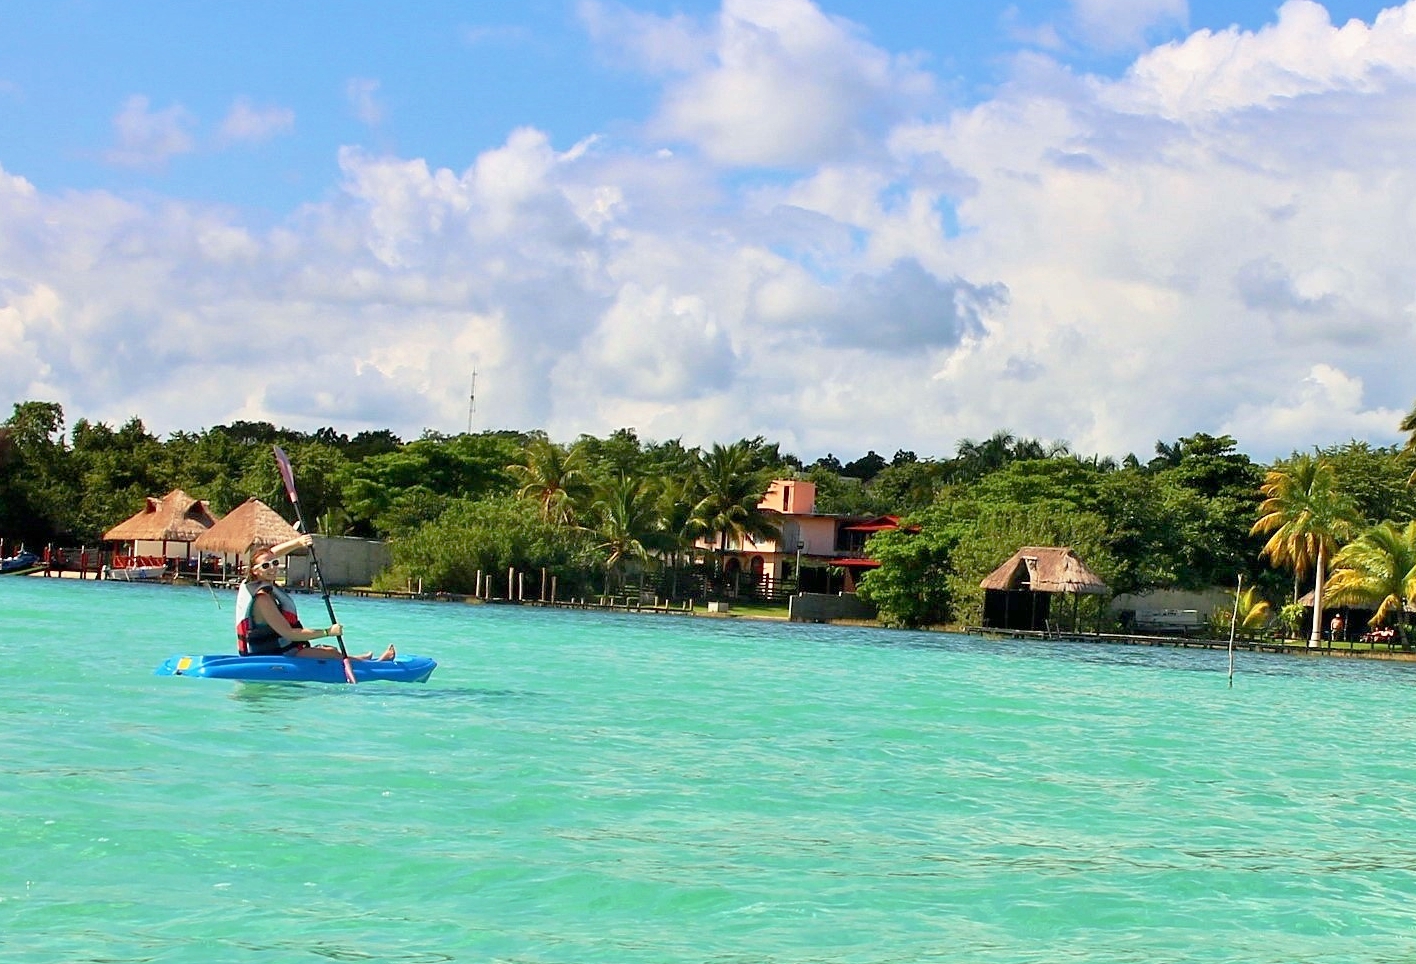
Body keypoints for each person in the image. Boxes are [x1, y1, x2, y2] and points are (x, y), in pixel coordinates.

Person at [235, 535, 395, 661]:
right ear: (255, 571)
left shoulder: (253, 584)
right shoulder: (263, 599)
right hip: (272, 654)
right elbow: (289, 633)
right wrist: (327, 631)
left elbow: (269, 555)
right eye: (265, 566)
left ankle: (358, 660)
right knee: (331, 653)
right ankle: (377, 664)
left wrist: (298, 542)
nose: (272, 568)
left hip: (278, 649)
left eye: (275, 563)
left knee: (327, 650)